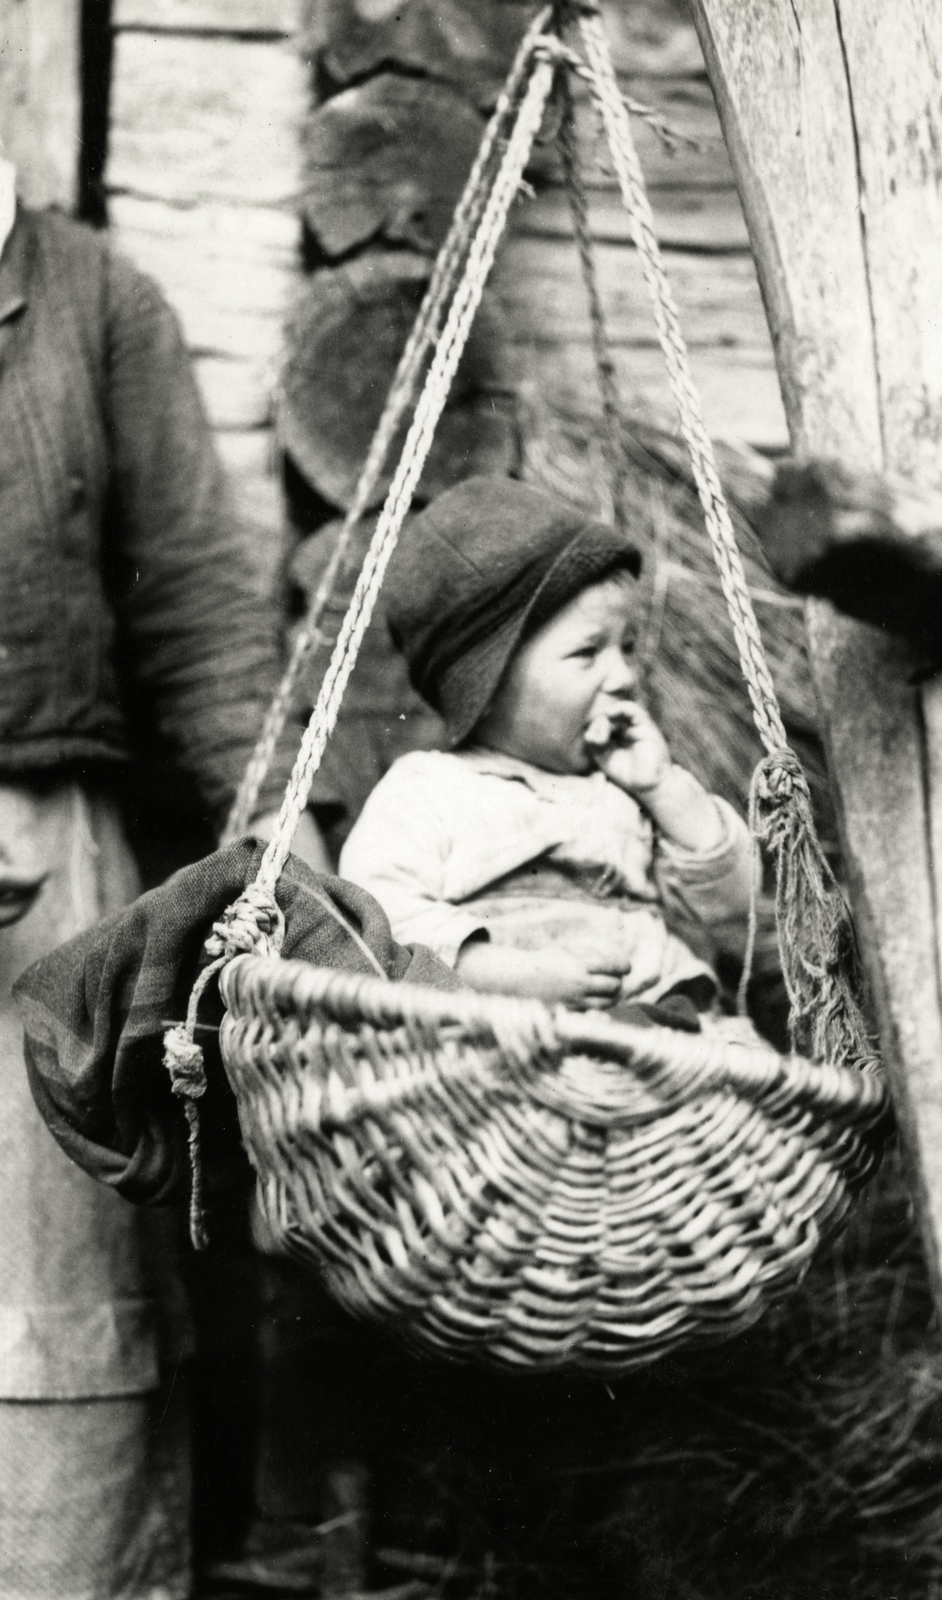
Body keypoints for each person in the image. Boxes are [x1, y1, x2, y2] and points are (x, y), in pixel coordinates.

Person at [0, 155, 326, 1599]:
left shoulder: (94, 304)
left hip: (51, 886)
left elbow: (194, 605)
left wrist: (288, 863)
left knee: (53, 1312)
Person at [339, 476, 757, 1025]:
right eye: (588, 652)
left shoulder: (626, 790)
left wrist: (665, 789)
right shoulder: (428, 789)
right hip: (515, 1047)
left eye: (626, 648)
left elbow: (737, 911)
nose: (625, 676)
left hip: (670, 1036)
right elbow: (375, 921)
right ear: (486, 683)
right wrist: (505, 974)